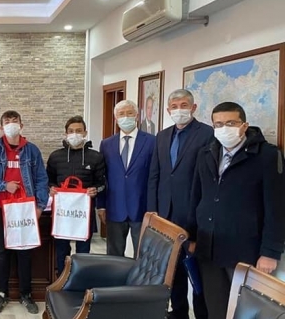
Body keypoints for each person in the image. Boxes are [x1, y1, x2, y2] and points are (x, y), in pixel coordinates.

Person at [187, 102, 285, 319]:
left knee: (244, 312)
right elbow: (196, 196)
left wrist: (270, 252)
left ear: (244, 125)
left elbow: (277, 208)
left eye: (231, 123)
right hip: (208, 246)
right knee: (215, 308)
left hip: (245, 249)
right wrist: (192, 236)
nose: (224, 128)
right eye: (218, 124)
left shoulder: (267, 156)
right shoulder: (205, 153)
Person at [147, 89, 211, 319]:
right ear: (168, 110)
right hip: (166, 214)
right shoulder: (162, 136)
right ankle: (179, 312)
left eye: (184, 105)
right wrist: (152, 211)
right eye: (174, 106)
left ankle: (202, 314)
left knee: (196, 270)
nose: (179, 110)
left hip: (193, 215)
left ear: (193, 108)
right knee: (172, 268)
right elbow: (155, 175)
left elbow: (208, 179)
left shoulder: (207, 134)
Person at [0, 110, 49, 314]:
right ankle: (2, 294)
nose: (11, 124)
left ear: (21, 125)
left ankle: (25, 294)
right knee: (2, 252)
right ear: (1, 127)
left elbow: (41, 179)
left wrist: (40, 206)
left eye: (14, 121)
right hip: (1, 208)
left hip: (25, 209)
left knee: (25, 252)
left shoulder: (32, 150)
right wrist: (4, 185)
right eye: (7, 121)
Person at [46, 115, 106, 277]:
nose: (75, 134)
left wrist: (95, 190)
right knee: (61, 250)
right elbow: (48, 180)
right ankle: (62, 281)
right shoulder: (55, 156)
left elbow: (103, 183)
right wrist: (51, 188)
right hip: (62, 214)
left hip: (83, 214)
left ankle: (81, 281)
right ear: (65, 134)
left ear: (85, 133)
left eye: (79, 131)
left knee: (83, 251)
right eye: (71, 131)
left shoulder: (96, 157)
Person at [97, 100, 155, 257]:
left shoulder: (152, 142)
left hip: (142, 208)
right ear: (116, 118)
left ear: (137, 116)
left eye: (129, 113)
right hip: (115, 207)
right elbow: (101, 177)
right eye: (121, 114)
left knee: (143, 256)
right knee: (114, 256)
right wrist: (101, 205)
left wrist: (154, 208)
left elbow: (155, 176)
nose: (125, 117)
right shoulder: (106, 144)